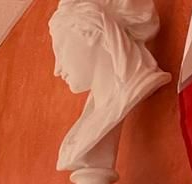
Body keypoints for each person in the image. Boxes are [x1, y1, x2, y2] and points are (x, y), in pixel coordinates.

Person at [49, 0, 171, 170]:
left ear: (91, 32)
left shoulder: (134, 90)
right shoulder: (85, 125)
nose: (57, 69)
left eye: (60, 50)